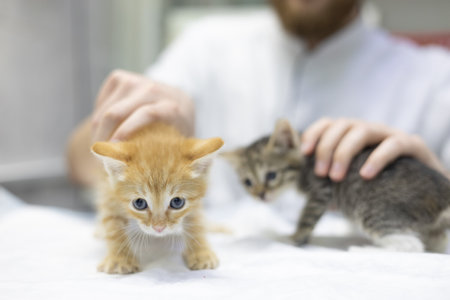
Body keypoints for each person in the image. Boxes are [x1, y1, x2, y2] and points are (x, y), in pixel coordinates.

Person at [67, 0, 450, 192]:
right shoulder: (205, 44)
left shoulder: (435, 76)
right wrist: (142, 137)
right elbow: (78, 161)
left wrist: (436, 187)